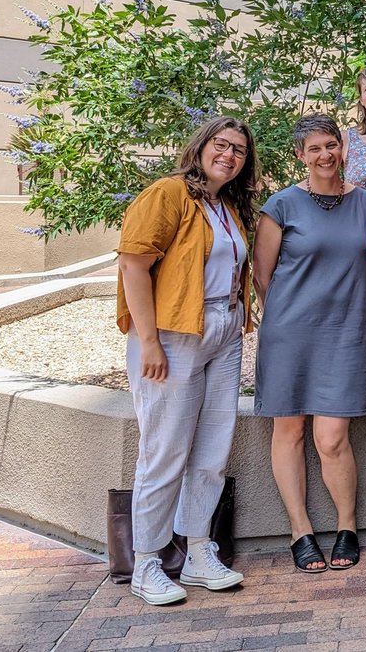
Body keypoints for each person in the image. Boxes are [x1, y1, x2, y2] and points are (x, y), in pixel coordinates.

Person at [116, 116, 258, 605]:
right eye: (221, 145)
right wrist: (149, 340)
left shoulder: (225, 205)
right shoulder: (169, 193)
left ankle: (197, 549)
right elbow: (133, 263)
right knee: (165, 449)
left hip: (223, 329)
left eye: (239, 150)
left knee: (213, 449)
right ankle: (148, 562)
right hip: (174, 334)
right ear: (201, 147)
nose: (229, 155)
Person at [252, 114, 366, 574]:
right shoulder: (281, 205)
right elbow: (262, 278)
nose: (325, 155)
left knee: (332, 437)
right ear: (300, 156)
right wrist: (285, 317)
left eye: (331, 145)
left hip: (345, 333)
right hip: (290, 334)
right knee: (289, 432)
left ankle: (348, 526)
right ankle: (300, 530)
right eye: (314, 149)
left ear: (342, 148)